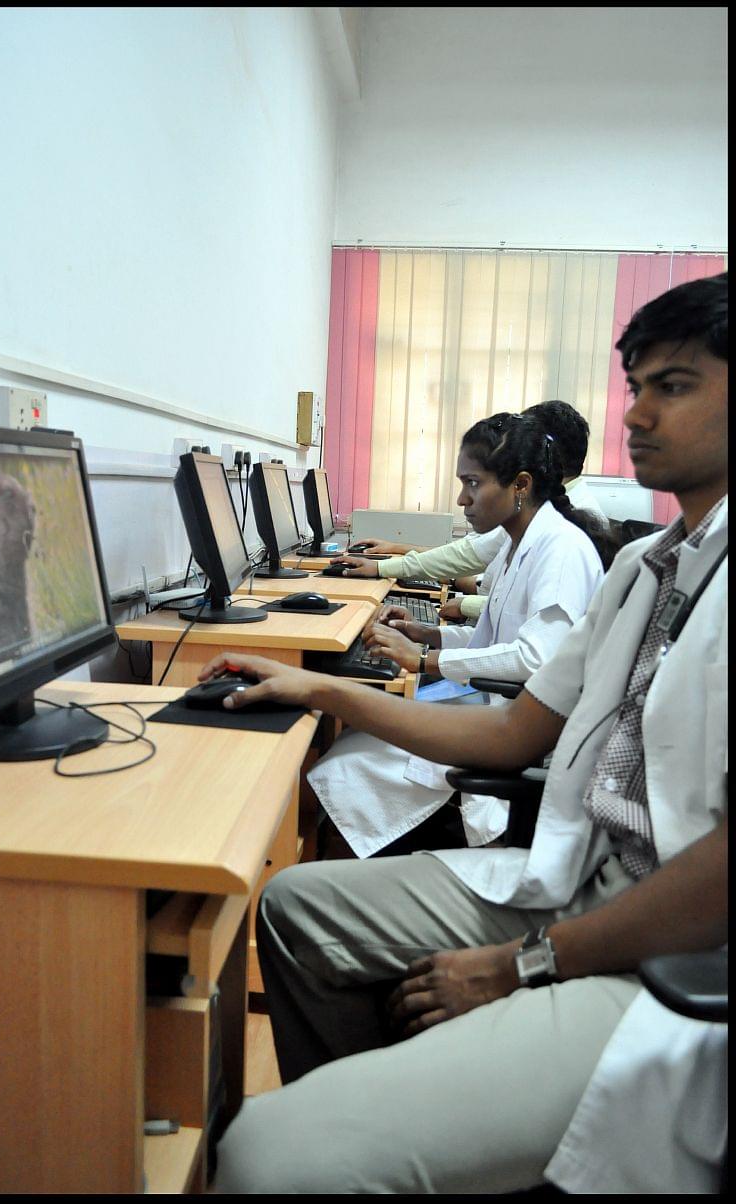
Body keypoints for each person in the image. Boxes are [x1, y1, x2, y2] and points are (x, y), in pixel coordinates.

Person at [200, 272, 727, 1194]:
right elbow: (519, 732)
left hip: (675, 955)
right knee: (295, 912)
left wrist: (521, 967)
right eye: (635, 386)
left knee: (264, 1153)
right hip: (583, 880)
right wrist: (319, 691)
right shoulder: (648, 566)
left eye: (672, 386)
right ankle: (399, 1144)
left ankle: (354, 1148)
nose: (637, 413)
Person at [307, 411, 605, 856]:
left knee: (346, 761)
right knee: (354, 738)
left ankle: (312, 871)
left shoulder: (560, 550)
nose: (463, 499)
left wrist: (424, 660)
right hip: (492, 712)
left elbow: (534, 660)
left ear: (520, 486)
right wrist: (427, 634)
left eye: (473, 483)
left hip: (515, 736)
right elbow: (493, 642)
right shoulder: (519, 542)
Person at [342, 399, 612, 625]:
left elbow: (528, 649)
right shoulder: (538, 514)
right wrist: (429, 635)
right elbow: (473, 554)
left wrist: (429, 654)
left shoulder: (561, 532)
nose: (462, 500)